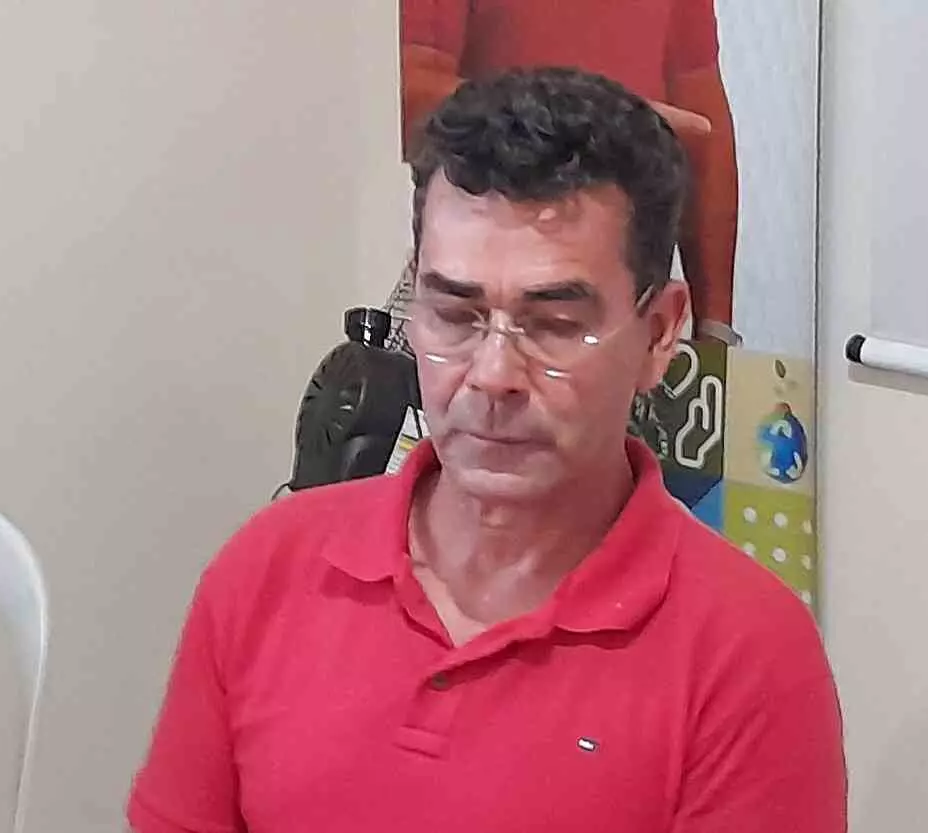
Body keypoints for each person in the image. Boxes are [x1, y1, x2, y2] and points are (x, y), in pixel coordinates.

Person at [127, 67, 846, 833]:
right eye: (455, 314)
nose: (493, 374)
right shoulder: (266, 571)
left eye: (555, 324)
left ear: (660, 333)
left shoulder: (747, 655)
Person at [400, 0, 742, 344]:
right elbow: (405, 90)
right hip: (491, 273)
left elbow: (704, 127)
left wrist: (715, 328)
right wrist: (599, 119)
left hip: (627, 284)